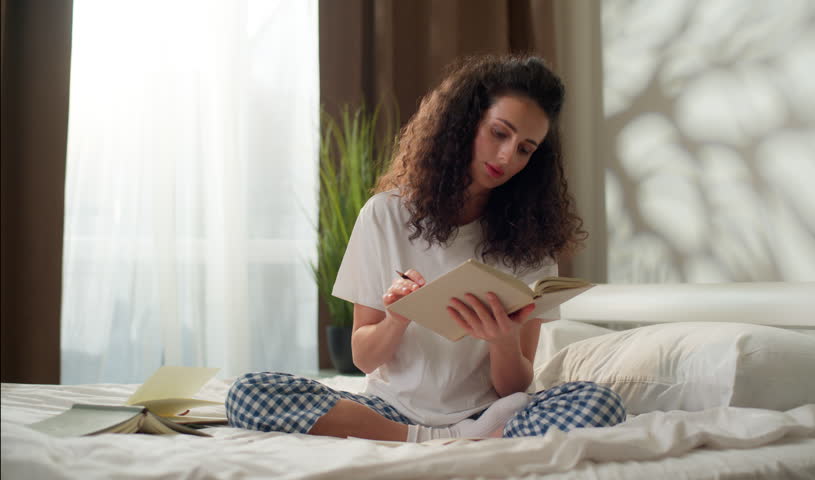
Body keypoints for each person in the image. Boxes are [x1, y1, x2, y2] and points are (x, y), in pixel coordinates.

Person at [226, 54, 626, 442]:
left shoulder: (532, 240)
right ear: (465, 122)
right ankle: (448, 439)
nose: (507, 156)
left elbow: (514, 388)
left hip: (489, 412)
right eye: (499, 132)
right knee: (248, 393)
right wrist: (397, 319)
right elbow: (364, 358)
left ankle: (454, 433)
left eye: (525, 149)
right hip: (391, 411)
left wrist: (502, 340)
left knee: (601, 403)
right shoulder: (383, 216)